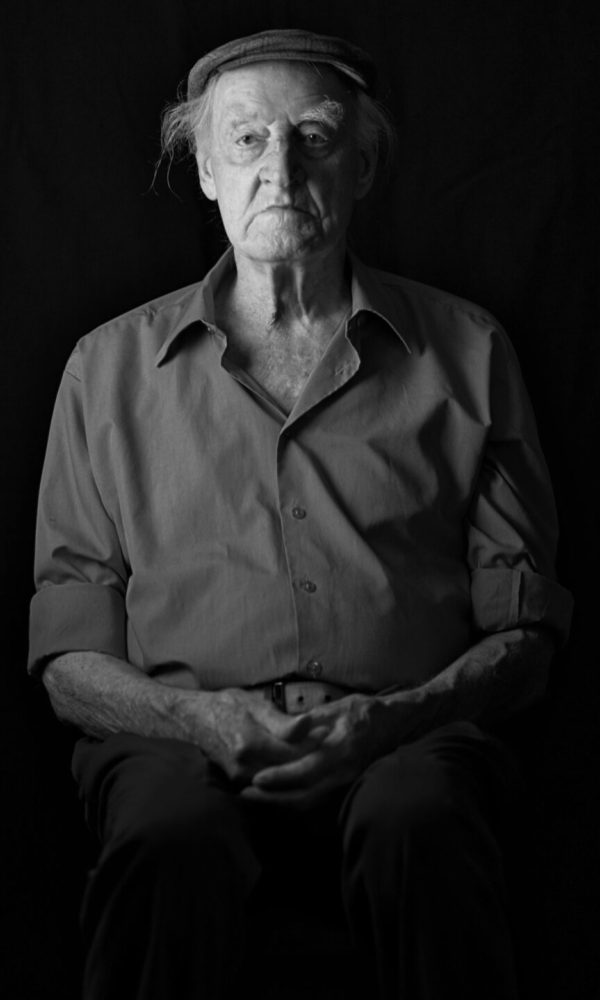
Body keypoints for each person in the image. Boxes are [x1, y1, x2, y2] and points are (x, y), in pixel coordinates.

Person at [29, 27, 573, 1000]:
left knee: (425, 820)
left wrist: (389, 720)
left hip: (407, 739)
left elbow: (524, 635)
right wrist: (197, 718)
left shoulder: (472, 352)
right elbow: (68, 661)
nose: (280, 169)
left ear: (362, 164)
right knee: (165, 836)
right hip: (175, 745)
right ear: (203, 167)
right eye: (245, 141)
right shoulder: (102, 371)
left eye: (314, 138)